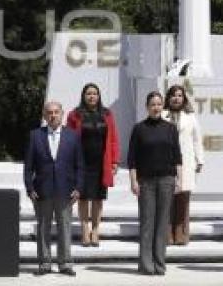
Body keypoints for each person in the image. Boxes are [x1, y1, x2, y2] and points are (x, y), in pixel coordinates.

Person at [24, 101, 84, 277]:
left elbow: (80, 165)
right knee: (43, 228)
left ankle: (65, 263)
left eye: (56, 112)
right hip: (42, 190)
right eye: (49, 112)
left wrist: (79, 187)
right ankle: (44, 263)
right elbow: (28, 166)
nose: (53, 115)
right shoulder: (35, 136)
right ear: (44, 115)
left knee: (65, 228)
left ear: (62, 114)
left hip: (66, 190)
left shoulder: (73, 136)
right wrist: (29, 187)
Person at [128, 90, 182, 276]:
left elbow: (177, 156)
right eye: (153, 104)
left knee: (162, 223)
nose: (156, 107)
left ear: (162, 106)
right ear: (147, 107)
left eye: (159, 104)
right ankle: (145, 264)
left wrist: (178, 179)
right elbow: (132, 159)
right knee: (147, 223)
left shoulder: (170, 128)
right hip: (146, 182)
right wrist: (134, 181)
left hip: (167, 179)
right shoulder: (139, 128)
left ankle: (160, 263)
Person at [66, 82, 119, 246]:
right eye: (88, 93)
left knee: (97, 198)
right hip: (82, 163)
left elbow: (114, 139)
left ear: (99, 96)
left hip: (100, 163)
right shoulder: (75, 115)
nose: (91, 96)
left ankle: (95, 231)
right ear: (83, 96)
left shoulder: (107, 114)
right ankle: (84, 230)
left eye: (94, 93)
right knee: (82, 197)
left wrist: (114, 160)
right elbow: (68, 139)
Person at [163, 84, 204, 245]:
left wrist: (200, 159)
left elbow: (197, 140)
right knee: (167, 198)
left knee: (183, 198)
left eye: (180, 95)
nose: (176, 98)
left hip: (186, 161)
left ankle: (181, 234)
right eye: (173, 95)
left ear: (184, 98)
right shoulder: (163, 114)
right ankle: (167, 234)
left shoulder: (190, 117)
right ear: (168, 98)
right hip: (166, 161)